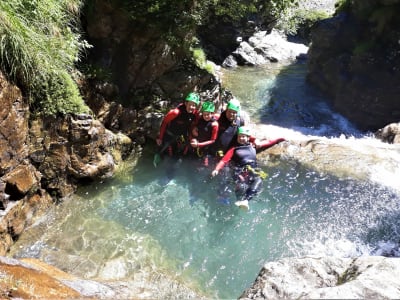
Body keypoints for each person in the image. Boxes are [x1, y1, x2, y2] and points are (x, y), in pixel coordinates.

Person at [211, 126, 285, 210]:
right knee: (241, 186)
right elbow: (224, 160)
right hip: (240, 170)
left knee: (258, 181)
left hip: (253, 169)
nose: (241, 138)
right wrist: (216, 169)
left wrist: (279, 140)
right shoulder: (234, 149)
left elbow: (268, 142)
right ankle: (237, 200)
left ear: (248, 138)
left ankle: (245, 201)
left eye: (244, 136)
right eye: (240, 136)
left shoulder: (253, 146)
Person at [155, 92, 200, 180]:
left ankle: (172, 172)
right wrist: (160, 137)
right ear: (186, 103)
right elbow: (164, 123)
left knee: (178, 155)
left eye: (194, 105)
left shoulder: (195, 114)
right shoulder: (176, 112)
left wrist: (192, 135)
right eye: (190, 104)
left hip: (180, 137)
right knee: (169, 156)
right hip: (169, 136)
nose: (191, 107)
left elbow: (193, 124)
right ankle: (167, 175)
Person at [190, 101, 219, 168]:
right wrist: (194, 129)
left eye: (208, 114)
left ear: (212, 114)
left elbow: (213, 140)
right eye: (204, 114)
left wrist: (198, 145)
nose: (206, 116)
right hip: (196, 143)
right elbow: (193, 126)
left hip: (206, 148)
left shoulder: (214, 124)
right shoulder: (200, 119)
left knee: (204, 166)